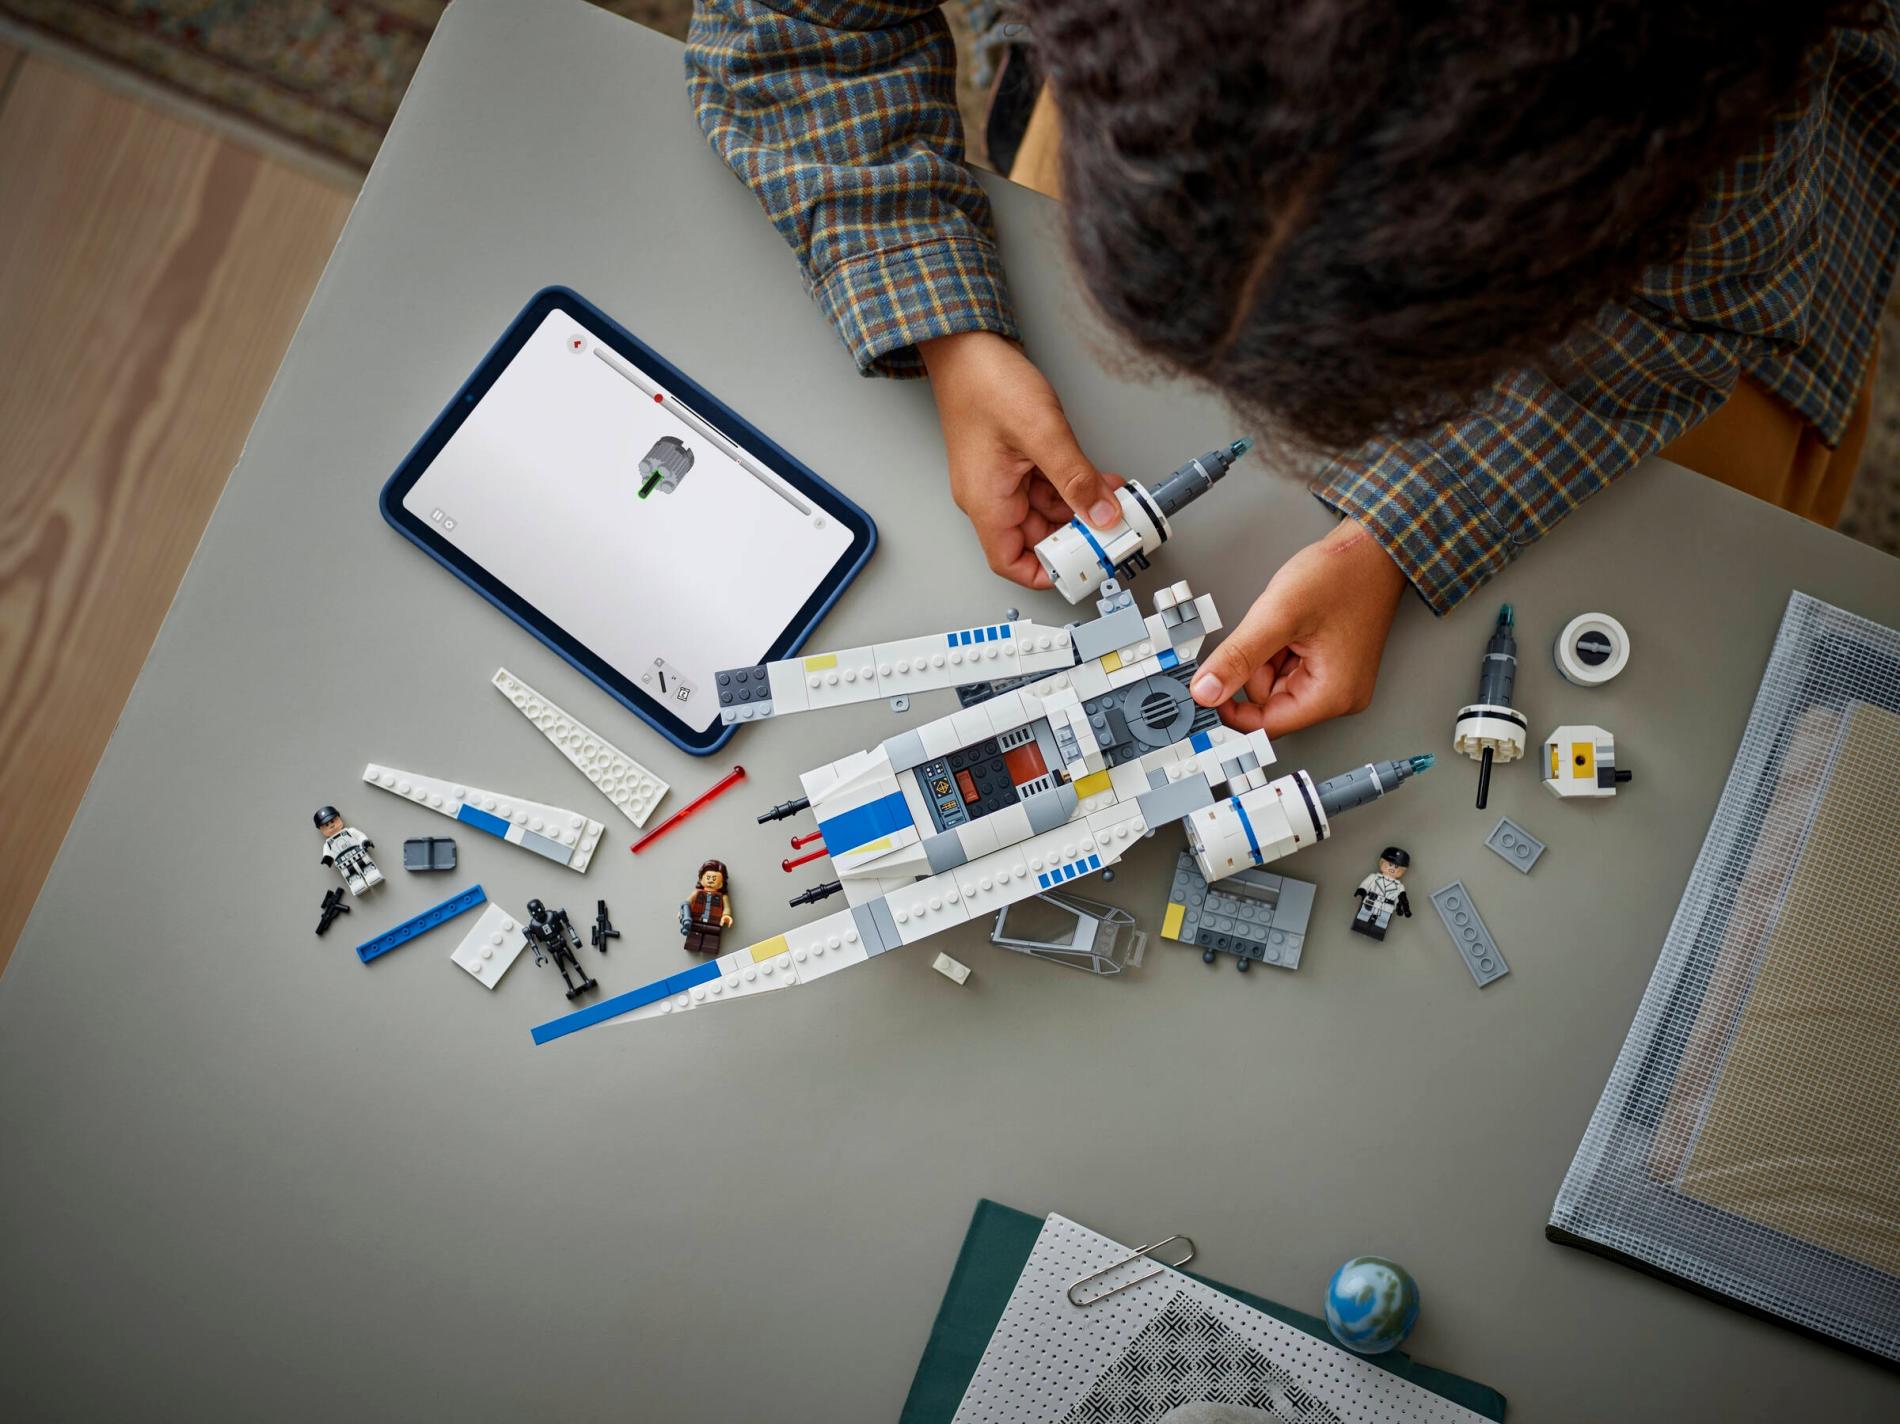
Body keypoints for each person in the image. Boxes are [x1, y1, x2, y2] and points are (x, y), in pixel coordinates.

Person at [685, 1, 1895, 737]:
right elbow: (793, 22)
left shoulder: (1710, 112)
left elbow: (1683, 319)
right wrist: (947, 325)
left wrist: (1407, 523)